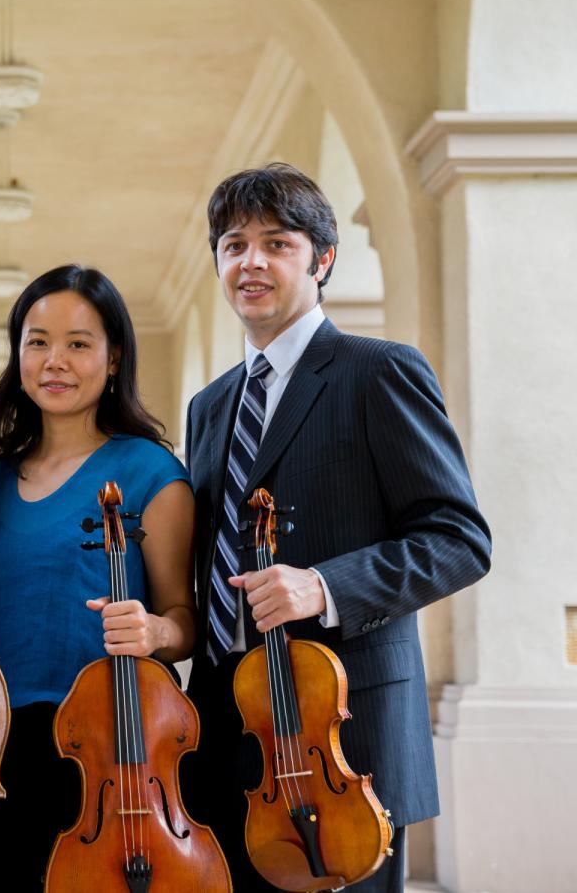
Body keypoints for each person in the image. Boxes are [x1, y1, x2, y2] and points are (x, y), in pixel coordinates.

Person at [182, 163, 492, 892]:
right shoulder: (209, 406)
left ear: (322, 260)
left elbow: (459, 540)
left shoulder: (379, 371)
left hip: (345, 737)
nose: (250, 262)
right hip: (230, 724)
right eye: (233, 245)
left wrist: (323, 585)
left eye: (277, 243)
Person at [0, 265, 199, 891]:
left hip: (105, 746)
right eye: (38, 341)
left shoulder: (152, 472)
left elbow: (186, 621)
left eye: (79, 343)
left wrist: (153, 630)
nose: (55, 361)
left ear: (113, 356)